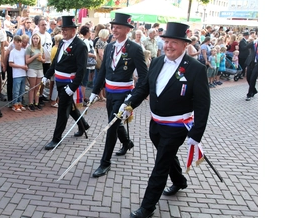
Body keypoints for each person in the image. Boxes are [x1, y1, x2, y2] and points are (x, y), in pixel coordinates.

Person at [121, 22, 210, 218]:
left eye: (174, 42)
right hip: (156, 124)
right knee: (166, 155)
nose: (168, 45)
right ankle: (179, 181)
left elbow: (203, 105)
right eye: (166, 41)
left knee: (161, 164)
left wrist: (196, 133)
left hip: (177, 126)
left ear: (185, 45)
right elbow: (144, 87)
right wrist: (129, 104)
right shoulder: (158, 62)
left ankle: (147, 207)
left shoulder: (195, 69)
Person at [88, 13, 148, 178]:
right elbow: (104, 71)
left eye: (118, 27)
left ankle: (105, 163)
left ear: (128, 29)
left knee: (111, 127)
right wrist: (95, 91)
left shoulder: (135, 49)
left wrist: (132, 100)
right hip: (110, 93)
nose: (114, 30)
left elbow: (144, 77)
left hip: (124, 94)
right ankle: (127, 142)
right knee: (115, 122)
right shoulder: (109, 47)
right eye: (113, 26)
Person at [41, 16, 90, 150]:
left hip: (69, 83)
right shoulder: (62, 42)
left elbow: (81, 70)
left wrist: (73, 87)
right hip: (59, 81)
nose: (63, 32)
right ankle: (83, 125)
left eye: (66, 29)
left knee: (63, 111)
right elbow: (56, 62)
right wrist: (47, 75)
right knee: (70, 107)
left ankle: (56, 138)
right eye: (63, 29)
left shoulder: (80, 46)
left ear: (74, 30)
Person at [25, 32, 45, 111]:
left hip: (39, 68)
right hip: (32, 69)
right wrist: (35, 56)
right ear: (32, 39)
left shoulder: (41, 48)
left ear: (39, 39)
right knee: (32, 87)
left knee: (38, 87)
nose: (36, 40)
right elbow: (27, 61)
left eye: (37, 38)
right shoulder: (29, 48)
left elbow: (44, 59)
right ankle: (30, 103)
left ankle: (36, 102)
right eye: (34, 38)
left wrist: (41, 60)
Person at [9, 35, 29, 112]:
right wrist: (21, 66)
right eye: (17, 42)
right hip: (17, 74)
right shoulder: (12, 52)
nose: (19, 43)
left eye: (20, 42)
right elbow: (11, 63)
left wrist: (25, 67)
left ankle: (20, 103)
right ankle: (15, 104)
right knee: (16, 90)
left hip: (23, 74)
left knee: (22, 90)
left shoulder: (24, 51)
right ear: (14, 42)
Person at [93, 28, 110, 102]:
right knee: (99, 79)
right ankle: (100, 95)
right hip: (101, 64)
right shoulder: (101, 42)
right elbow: (101, 54)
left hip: (102, 63)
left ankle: (101, 95)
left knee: (101, 79)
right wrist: (106, 63)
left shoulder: (102, 41)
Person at [49, 34, 63, 108]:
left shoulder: (53, 47)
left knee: (54, 85)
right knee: (55, 86)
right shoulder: (57, 49)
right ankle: (54, 100)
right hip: (56, 69)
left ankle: (53, 99)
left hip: (53, 68)